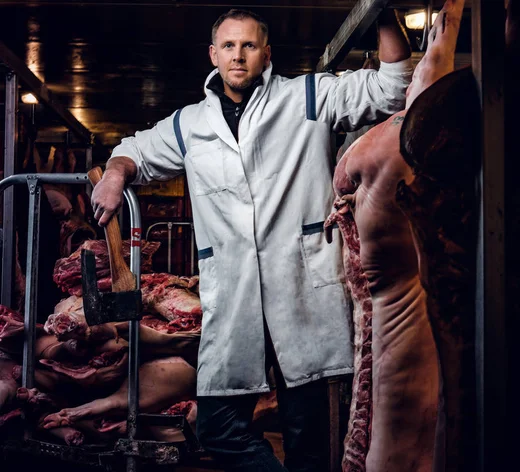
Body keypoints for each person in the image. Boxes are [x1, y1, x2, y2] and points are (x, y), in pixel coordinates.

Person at [91, 8, 412, 471]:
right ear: (213, 54)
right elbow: (133, 150)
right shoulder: (189, 124)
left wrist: (384, 13)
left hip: (302, 289)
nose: (237, 55)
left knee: (310, 443)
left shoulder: (307, 97)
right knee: (216, 428)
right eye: (228, 46)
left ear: (266, 53)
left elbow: (394, 87)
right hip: (235, 294)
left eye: (248, 45)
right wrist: (116, 174)